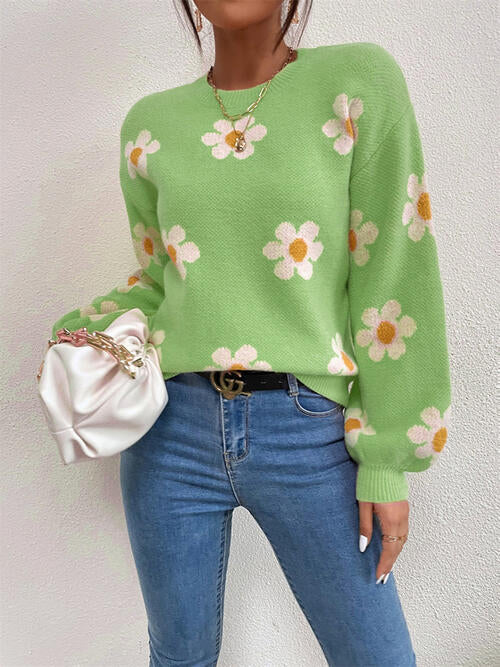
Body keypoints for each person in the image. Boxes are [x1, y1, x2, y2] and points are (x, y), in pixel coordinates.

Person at [49, 1, 451, 664]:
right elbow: (163, 279)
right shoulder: (149, 126)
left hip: (309, 431)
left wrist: (387, 458)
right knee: (178, 657)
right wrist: (84, 330)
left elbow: (394, 272)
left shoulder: (358, 85)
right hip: (169, 433)